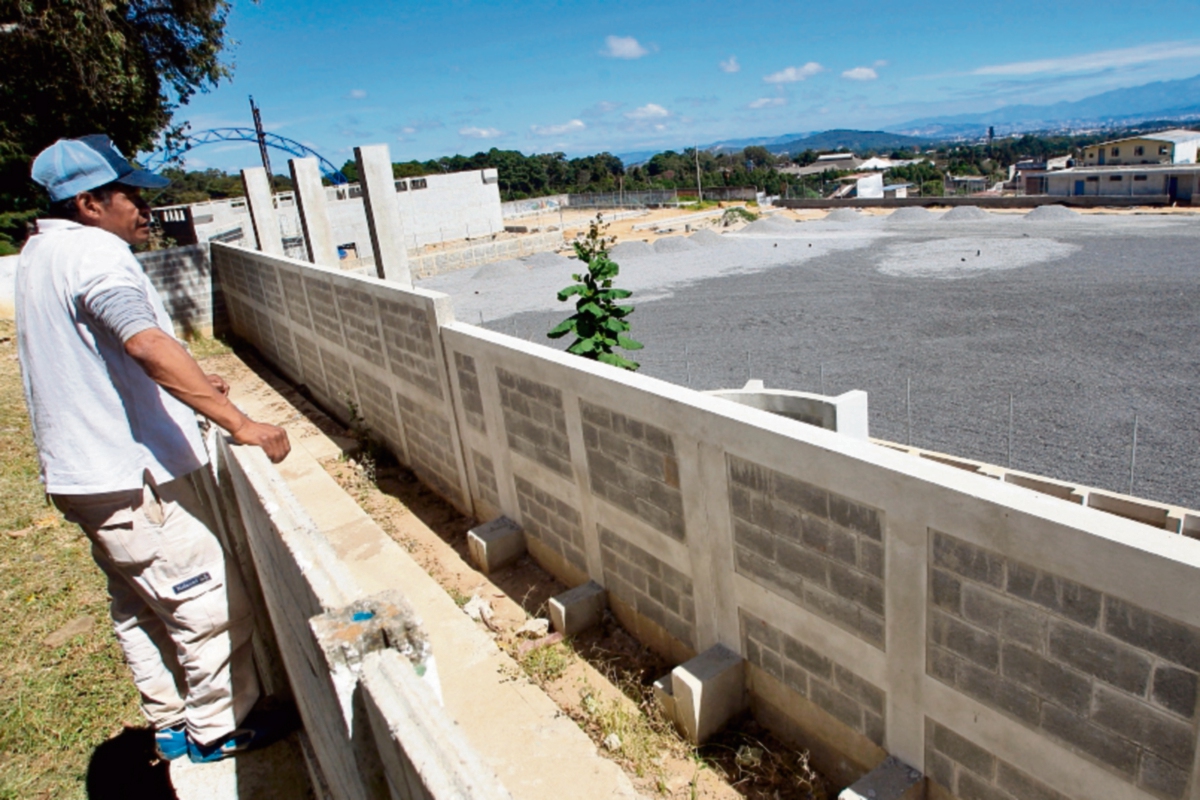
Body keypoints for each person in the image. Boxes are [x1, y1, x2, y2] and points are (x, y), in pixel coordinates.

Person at [16, 135, 292, 764]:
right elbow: (141, 343)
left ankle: (170, 720)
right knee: (206, 599)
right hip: (133, 479)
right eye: (131, 196)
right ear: (89, 202)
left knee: (138, 603)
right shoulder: (96, 253)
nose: (144, 209)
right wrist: (241, 422)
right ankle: (221, 727)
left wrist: (192, 388)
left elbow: (96, 353)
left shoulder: (40, 253)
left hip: (83, 476)